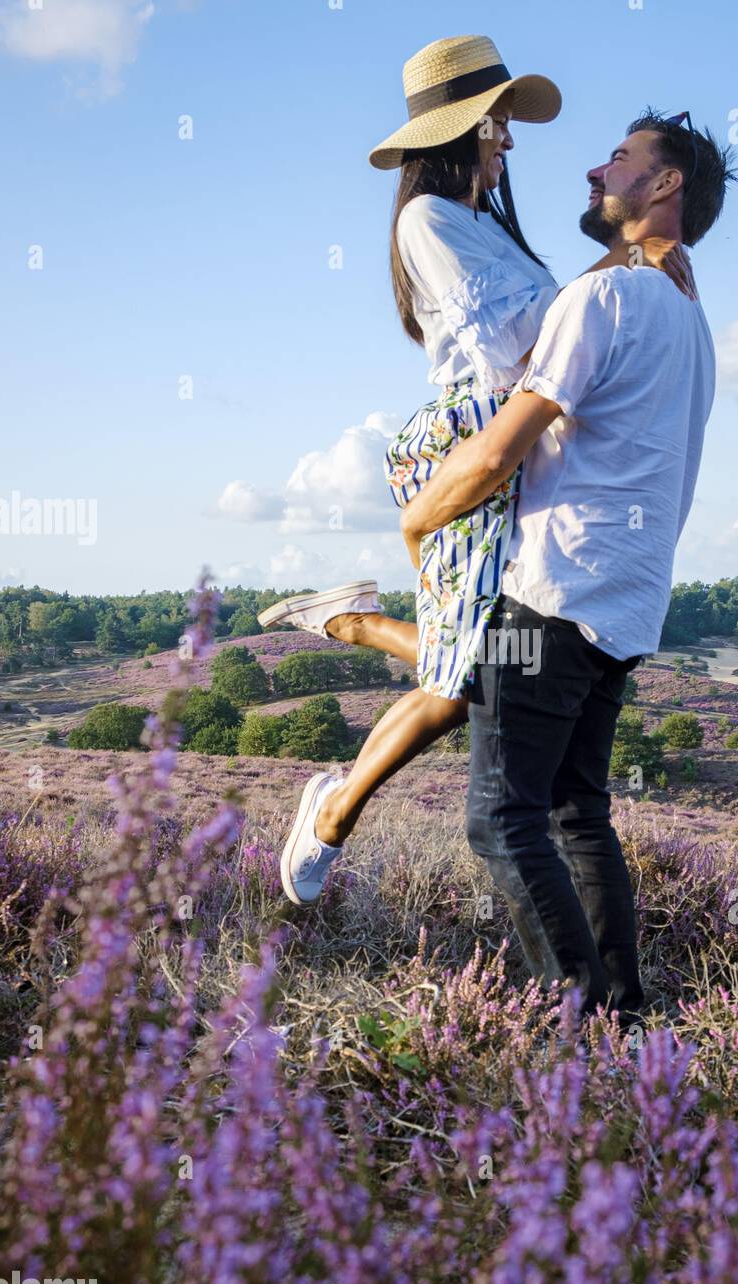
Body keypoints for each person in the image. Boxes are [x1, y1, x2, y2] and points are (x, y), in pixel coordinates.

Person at [258, 36, 694, 906]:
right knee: (470, 680)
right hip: (469, 439)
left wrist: (625, 269)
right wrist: (623, 265)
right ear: (462, 129)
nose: (509, 141)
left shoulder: (482, 224)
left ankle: (352, 630)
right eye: (498, 124)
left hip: (506, 437)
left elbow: (555, 331)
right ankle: (335, 800)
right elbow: (517, 344)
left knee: (484, 666)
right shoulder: (428, 222)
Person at [396, 109, 737, 1028]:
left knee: (502, 819)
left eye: (621, 159)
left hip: (552, 592)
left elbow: (499, 451)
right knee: (578, 812)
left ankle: (584, 1029)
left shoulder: (607, 299)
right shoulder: (689, 317)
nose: (596, 168)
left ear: (663, 186)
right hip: (628, 601)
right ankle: (626, 1023)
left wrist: (418, 520)